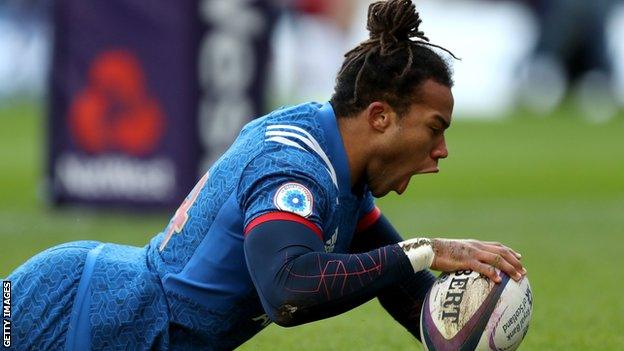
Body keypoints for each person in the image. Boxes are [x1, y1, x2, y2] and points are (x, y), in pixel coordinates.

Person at [5, 0, 526, 349]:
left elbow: (404, 292)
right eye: (434, 128)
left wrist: (468, 320)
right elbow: (287, 290)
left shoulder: (341, 171)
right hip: (69, 310)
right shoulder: (294, 169)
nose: (443, 150)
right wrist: (427, 249)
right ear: (380, 117)